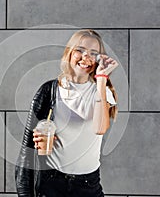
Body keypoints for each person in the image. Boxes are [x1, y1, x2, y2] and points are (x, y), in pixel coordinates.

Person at [15, 29, 118, 197]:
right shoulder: (49, 91)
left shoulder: (101, 91)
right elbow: (26, 152)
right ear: (69, 53)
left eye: (93, 53)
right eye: (79, 50)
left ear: (99, 59)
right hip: (51, 183)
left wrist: (101, 78)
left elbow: (100, 128)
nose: (86, 57)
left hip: (88, 185)